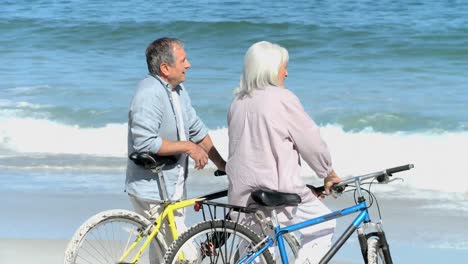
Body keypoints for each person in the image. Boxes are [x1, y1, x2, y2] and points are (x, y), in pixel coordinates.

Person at [226, 41, 342, 263]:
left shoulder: (237, 103)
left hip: (242, 194)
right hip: (276, 191)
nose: (286, 73)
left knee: (257, 247)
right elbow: (310, 141)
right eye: (283, 67)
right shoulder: (282, 98)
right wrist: (327, 172)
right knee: (325, 222)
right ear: (270, 69)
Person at [126, 37, 226, 263]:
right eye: (183, 60)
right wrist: (188, 147)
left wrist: (222, 164)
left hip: (172, 186)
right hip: (152, 190)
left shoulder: (178, 90)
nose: (188, 64)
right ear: (165, 68)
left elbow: (196, 128)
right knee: (186, 256)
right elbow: (144, 142)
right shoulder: (149, 93)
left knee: (164, 253)